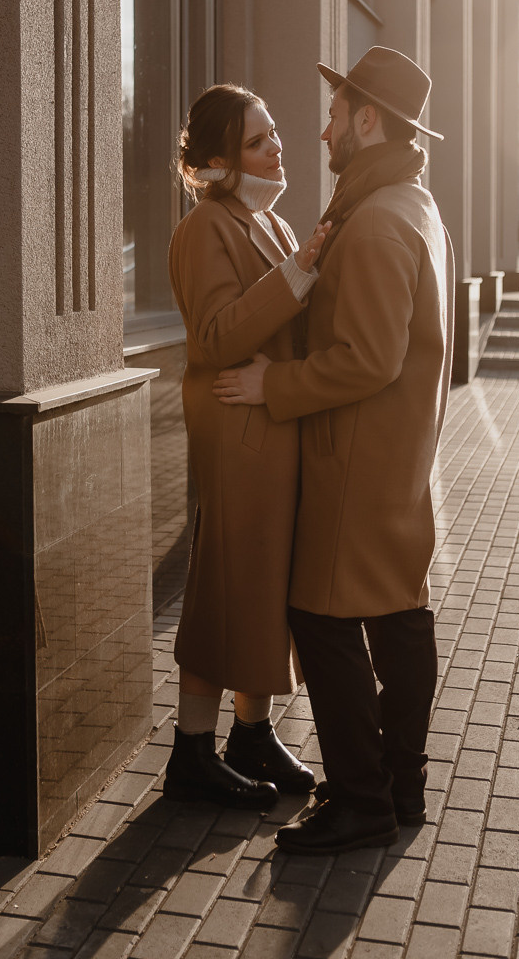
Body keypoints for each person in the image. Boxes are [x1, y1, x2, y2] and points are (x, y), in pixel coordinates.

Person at [213, 46, 455, 852]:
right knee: (399, 619)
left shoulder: (381, 219)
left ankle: (361, 801)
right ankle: (400, 787)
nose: (320, 132)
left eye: (332, 113)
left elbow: (367, 358)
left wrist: (270, 386)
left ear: (366, 119)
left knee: (318, 617)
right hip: (394, 462)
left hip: (355, 461)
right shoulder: (407, 204)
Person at [164, 82, 330, 810]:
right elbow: (213, 337)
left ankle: (250, 732)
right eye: (259, 140)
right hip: (235, 437)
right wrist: (296, 276)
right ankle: (191, 752)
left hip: (272, 431)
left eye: (274, 134)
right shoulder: (204, 228)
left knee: (264, 588)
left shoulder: (274, 224)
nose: (277, 147)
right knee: (225, 587)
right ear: (223, 159)